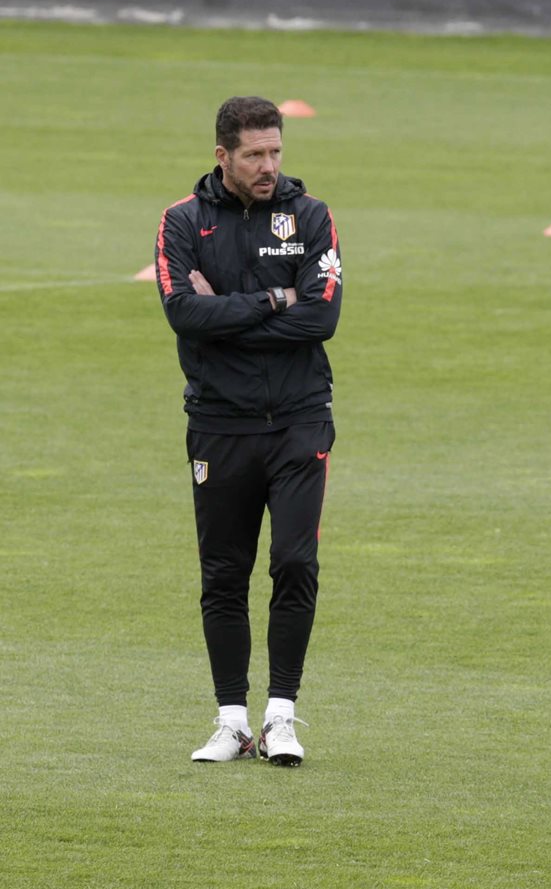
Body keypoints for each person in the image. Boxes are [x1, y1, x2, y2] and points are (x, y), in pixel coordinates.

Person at [154, 96, 343, 766]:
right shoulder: (182, 222)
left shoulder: (311, 216)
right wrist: (274, 298)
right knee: (224, 573)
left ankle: (282, 716)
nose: (269, 166)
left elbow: (321, 319)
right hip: (218, 424)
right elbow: (182, 312)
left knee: (294, 560)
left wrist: (226, 313)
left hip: (298, 420)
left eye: (276, 152)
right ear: (223, 156)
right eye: (255, 154)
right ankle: (232, 721)